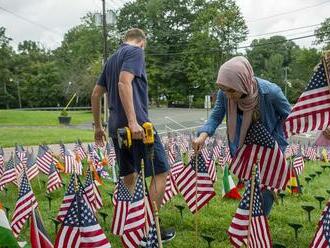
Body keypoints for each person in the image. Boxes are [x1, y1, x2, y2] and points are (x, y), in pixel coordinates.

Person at [91, 28, 175, 243]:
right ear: (142, 42)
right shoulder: (135, 52)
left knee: (130, 176)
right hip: (136, 127)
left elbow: (95, 94)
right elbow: (123, 82)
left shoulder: (111, 59)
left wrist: (98, 127)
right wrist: (132, 121)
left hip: (115, 126)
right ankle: (148, 227)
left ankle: (131, 226)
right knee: (161, 171)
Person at [192, 56, 291, 216]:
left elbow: (290, 115)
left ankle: (258, 223)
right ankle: (251, 220)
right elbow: (216, 115)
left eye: (232, 90)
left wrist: (279, 137)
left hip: (270, 149)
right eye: (224, 89)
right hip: (242, 148)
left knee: (266, 188)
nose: (227, 94)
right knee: (251, 186)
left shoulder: (271, 92)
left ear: (243, 82)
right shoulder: (225, 93)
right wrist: (203, 135)